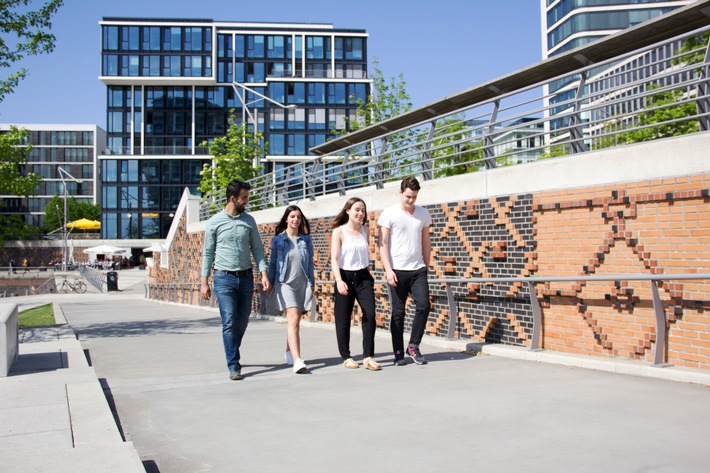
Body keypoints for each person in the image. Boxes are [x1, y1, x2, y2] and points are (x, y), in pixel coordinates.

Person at [200, 179, 270, 381]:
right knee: (230, 321)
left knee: (243, 320)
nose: (247, 201)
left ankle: (230, 346)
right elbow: (207, 254)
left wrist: (263, 273)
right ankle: (233, 364)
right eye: (245, 198)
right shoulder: (214, 222)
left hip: (246, 277)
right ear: (233, 198)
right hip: (223, 279)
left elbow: (257, 249)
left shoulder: (249, 221)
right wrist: (204, 282)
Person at [377, 177, 432, 366]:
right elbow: (382, 245)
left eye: (414, 197)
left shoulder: (423, 214)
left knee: (424, 306)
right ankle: (398, 351)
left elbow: (426, 241)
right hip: (397, 270)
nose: (411, 200)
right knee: (398, 313)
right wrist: (388, 270)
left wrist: (427, 266)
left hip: (417, 269)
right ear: (400, 193)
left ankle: (413, 346)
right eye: (408, 196)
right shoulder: (389, 214)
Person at [330, 197, 380, 371]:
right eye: (357, 209)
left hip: (363, 277)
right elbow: (334, 259)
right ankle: (346, 356)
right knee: (343, 318)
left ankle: (368, 356)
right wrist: (339, 281)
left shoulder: (366, 229)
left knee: (370, 314)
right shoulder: (339, 232)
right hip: (344, 276)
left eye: (363, 210)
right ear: (348, 211)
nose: (360, 213)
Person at [267, 205, 314, 374]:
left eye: (298, 217)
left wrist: (312, 284)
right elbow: (273, 263)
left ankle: (289, 351)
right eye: (292, 216)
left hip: (302, 283)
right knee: (293, 318)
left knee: (296, 322)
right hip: (284, 283)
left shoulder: (306, 240)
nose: (296, 220)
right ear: (286, 219)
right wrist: (270, 282)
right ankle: (297, 360)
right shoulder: (278, 240)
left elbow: (310, 264)